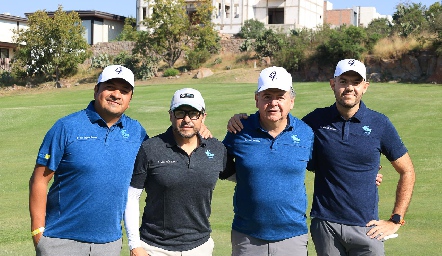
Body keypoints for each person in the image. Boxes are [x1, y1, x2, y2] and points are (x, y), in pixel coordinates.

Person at [228, 59, 415, 256]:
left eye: (355, 82)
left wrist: (396, 219)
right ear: (333, 84)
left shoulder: (380, 123)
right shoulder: (315, 121)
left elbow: (407, 170)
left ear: (365, 87)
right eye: (343, 81)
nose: (349, 88)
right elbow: (284, 135)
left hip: (367, 227)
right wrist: (240, 120)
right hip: (325, 226)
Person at [29, 65, 148, 256]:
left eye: (124, 91)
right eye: (110, 87)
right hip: (60, 241)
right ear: (96, 90)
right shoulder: (66, 127)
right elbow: (39, 180)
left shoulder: (137, 132)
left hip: (109, 243)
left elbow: (164, 152)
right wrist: (38, 232)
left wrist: (198, 133)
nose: (116, 95)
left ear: (130, 99)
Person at [124, 88, 233, 256]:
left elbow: (243, 177)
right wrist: (134, 244)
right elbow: (132, 196)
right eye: (180, 113)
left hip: (200, 247)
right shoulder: (150, 148)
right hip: (155, 247)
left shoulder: (217, 149)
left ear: (203, 117)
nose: (187, 119)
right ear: (171, 115)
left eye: (194, 113)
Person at [222, 66, 314, 256]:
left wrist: (366, 175)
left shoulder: (305, 133)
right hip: (247, 236)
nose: (273, 103)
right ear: (257, 100)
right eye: (267, 96)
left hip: (292, 236)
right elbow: (218, 164)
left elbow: (329, 167)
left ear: (291, 101)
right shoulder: (239, 130)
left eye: (280, 97)